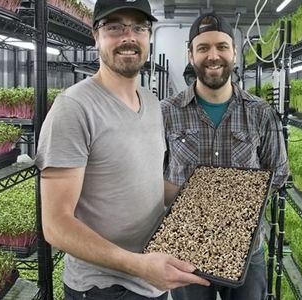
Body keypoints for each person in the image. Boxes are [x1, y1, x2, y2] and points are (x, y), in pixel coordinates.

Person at [35, 0, 210, 299]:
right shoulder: (74, 108)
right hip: (104, 288)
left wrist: (196, 195)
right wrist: (138, 265)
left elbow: (146, 182)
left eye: (139, 28)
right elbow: (56, 225)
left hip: (153, 278)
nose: (128, 37)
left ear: (149, 36)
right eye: (114, 27)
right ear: (96, 36)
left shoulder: (152, 102)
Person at [161, 12, 290, 300]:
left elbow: (279, 173)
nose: (213, 55)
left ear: (234, 53)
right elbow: (151, 176)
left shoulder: (260, 113)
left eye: (221, 46)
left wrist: (234, 206)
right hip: (186, 249)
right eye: (203, 47)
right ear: (190, 55)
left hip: (247, 248)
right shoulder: (166, 112)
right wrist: (192, 202)